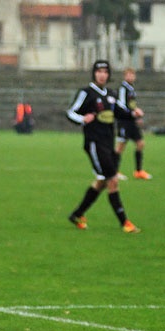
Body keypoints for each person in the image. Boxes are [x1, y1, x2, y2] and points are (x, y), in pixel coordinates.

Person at [66, 60, 143, 234]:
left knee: (102, 181)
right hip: (94, 143)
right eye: (99, 71)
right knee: (112, 180)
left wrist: (133, 114)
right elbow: (71, 112)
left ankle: (77, 214)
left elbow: (119, 112)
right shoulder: (86, 93)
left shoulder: (111, 94)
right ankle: (125, 223)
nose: (102, 74)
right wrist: (82, 119)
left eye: (105, 71)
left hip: (108, 143)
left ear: (108, 75)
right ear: (94, 73)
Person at [115, 68, 152, 180]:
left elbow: (131, 105)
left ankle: (138, 171)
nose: (131, 77)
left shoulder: (131, 89)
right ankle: (114, 172)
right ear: (124, 76)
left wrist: (136, 116)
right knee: (121, 146)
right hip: (123, 121)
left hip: (131, 121)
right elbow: (121, 105)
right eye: (128, 75)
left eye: (132, 75)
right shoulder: (123, 88)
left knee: (140, 143)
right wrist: (133, 113)